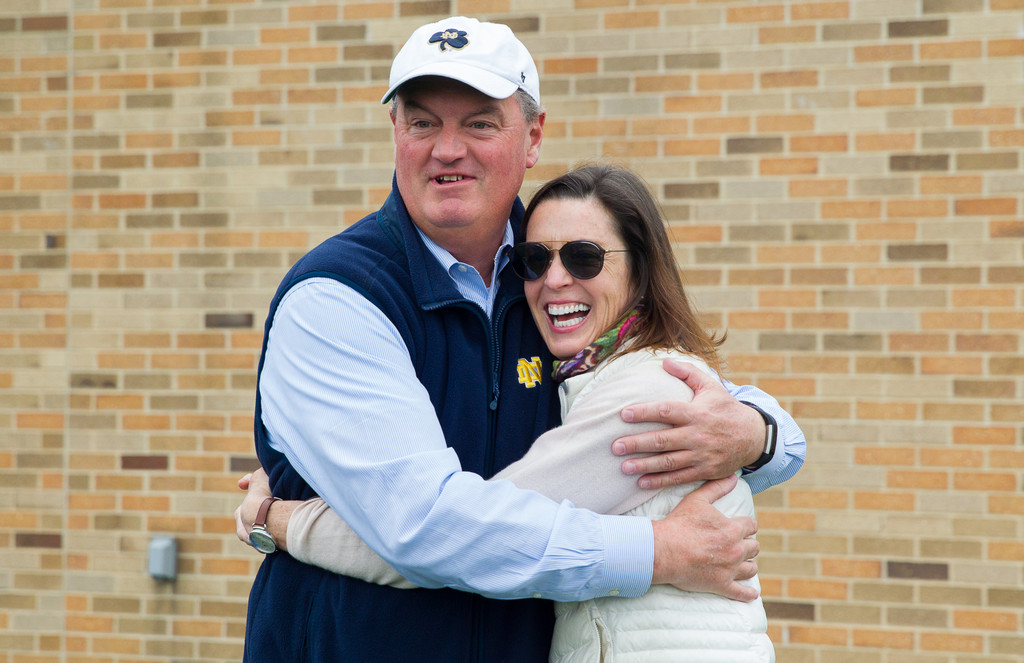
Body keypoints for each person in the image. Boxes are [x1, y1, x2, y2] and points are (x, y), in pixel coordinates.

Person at [243, 16, 805, 662]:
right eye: (424, 121)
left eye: (479, 123)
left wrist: (755, 434)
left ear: (532, 136)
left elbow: (699, 405)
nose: (447, 149)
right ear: (395, 132)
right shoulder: (337, 298)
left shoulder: (553, 289)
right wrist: (660, 554)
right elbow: (426, 528)